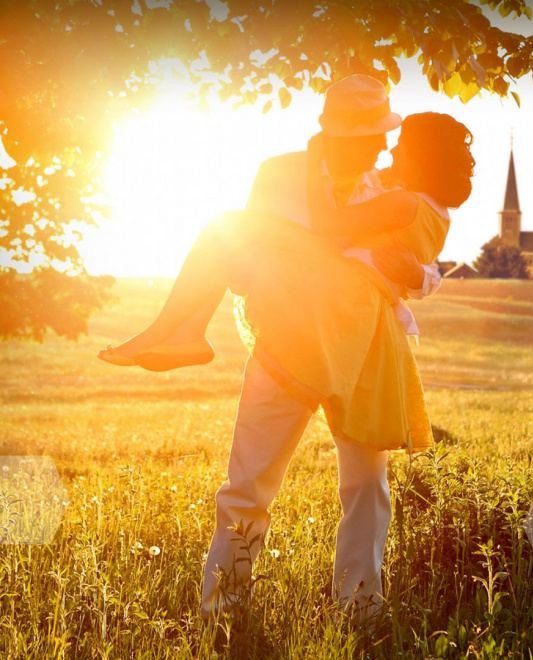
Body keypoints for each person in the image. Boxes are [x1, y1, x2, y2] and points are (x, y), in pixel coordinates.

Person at [99, 75, 475, 622]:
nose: (380, 148)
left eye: (385, 137)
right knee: (248, 485)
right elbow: (255, 252)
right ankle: (223, 610)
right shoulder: (279, 173)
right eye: (371, 136)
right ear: (333, 133)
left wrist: (414, 273)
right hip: (289, 341)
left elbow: (419, 261)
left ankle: (360, 607)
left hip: (367, 351)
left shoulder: (389, 187)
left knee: (367, 485)